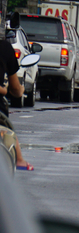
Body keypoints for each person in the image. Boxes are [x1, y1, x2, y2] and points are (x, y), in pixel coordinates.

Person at [0, 38, 33, 170]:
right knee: (6, 125)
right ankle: (19, 159)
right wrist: (18, 91)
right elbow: (15, 88)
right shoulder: (5, 48)